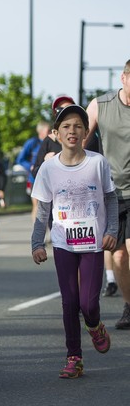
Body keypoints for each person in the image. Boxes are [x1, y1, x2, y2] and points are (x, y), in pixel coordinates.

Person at [31, 105, 118, 379]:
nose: (72, 131)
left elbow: (111, 198)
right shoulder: (48, 168)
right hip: (63, 242)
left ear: (85, 133)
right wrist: (37, 243)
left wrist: (112, 230)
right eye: (66, 126)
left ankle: (95, 325)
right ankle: (74, 357)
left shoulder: (97, 162)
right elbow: (43, 209)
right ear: (56, 134)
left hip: (93, 244)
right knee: (69, 302)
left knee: (88, 304)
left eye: (78, 126)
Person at [85, 59, 130, 328]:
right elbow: (79, 140)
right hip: (111, 191)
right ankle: (129, 305)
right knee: (119, 255)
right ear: (123, 78)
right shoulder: (101, 105)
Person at [16, 120, 50, 222]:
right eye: (48, 131)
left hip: (49, 179)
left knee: (48, 206)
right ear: (41, 131)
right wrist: (31, 166)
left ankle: (49, 232)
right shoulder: (32, 143)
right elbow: (20, 159)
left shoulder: (52, 142)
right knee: (37, 205)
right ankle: (37, 233)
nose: (50, 133)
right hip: (34, 179)